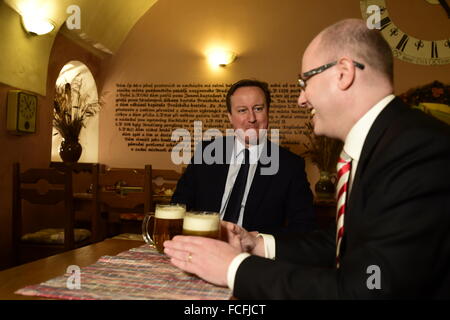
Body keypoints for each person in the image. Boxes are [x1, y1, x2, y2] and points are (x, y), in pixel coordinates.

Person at [164, 18, 450, 299]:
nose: (301, 99)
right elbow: (342, 245)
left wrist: (234, 268)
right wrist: (257, 244)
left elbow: (372, 287)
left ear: (343, 73)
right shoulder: (387, 142)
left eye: (305, 81)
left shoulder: (417, 149)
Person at [171, 79, 316, 234]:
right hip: (204, 246)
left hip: (251, 255)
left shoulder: (290, 165)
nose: (251, 118)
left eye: (258, 109)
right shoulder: (207, 152)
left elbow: (304, 227)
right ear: (230, 117)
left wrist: (257, 244)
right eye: (242, 110)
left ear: (268, 111)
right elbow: (178, 206)